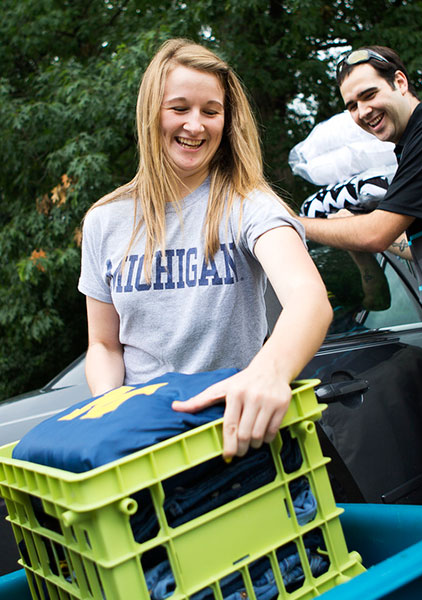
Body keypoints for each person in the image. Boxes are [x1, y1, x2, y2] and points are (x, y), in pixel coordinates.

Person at [78, 38, 332, 460]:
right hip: (144, 443)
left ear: (226, 121)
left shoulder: (250, 205)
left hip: (236, 430)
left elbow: (309, 300)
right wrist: (111, 412)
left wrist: (269, 374)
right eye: (179, 109)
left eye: (210, 112)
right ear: (150, 113)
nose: (195, 125)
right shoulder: (105, 220)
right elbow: (104, 345)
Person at [298, 45, 422, 508]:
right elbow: (405, 247)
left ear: (400, 82)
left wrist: (293, 224)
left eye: (369, 94)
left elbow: (379, 232)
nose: (362, 112)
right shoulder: (416, 149)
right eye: (351, 106)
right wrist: (352, 234)